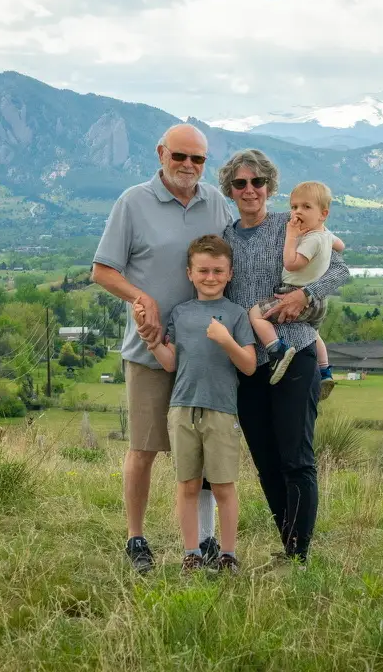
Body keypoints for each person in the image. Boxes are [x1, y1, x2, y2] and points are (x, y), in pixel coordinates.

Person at [90, 123, 233, 574]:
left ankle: (207, 541)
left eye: (198, 159)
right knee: (144, 447)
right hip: (151, 348)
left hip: (206, 351)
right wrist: (141, 298)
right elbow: (102, 270)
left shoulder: (216, 202)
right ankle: (136, 539)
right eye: (180, 157)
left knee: (208, 450)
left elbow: (231, 264)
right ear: (161, 154)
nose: (189, 166)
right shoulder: (132, 202)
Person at [220, 149, 349, 565]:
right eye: (240, 183)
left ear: (269, 187)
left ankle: (298, 554)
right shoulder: (224, 239)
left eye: (257, 182)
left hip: (297, 352)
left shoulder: (292, 224)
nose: (250, 190)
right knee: (266, 460)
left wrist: (305, 294)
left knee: (296, 457)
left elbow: (341, 270)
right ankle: (288, 542)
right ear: (230, 190)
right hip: (248, 362)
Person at [135, 235, 256, 574]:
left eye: (218, 271)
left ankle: (228, 554)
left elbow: (248, 364)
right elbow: (171, 362)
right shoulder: (181, 314)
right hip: (183, 407)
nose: (210, 277)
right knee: (188, 484)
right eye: (203, 271)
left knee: (222, 485)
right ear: (190, 273)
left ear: (230, 274)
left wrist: (226, 339)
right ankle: (191, 553)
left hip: (221, 409)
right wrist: (150, 338)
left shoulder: (236, 315)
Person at [247, 180, 345, 399]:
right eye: (294, 207)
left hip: (297, 293)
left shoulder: (311, 240)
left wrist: (292, 236)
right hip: (319, 302)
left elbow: (292, 264)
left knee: (255, 314)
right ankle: (325, 370)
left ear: (323, 214)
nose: (298, 212)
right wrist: (326, 238)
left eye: (306, 207)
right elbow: (341, 246)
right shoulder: (326, 235)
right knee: (314, 334)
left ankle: (276, 350)